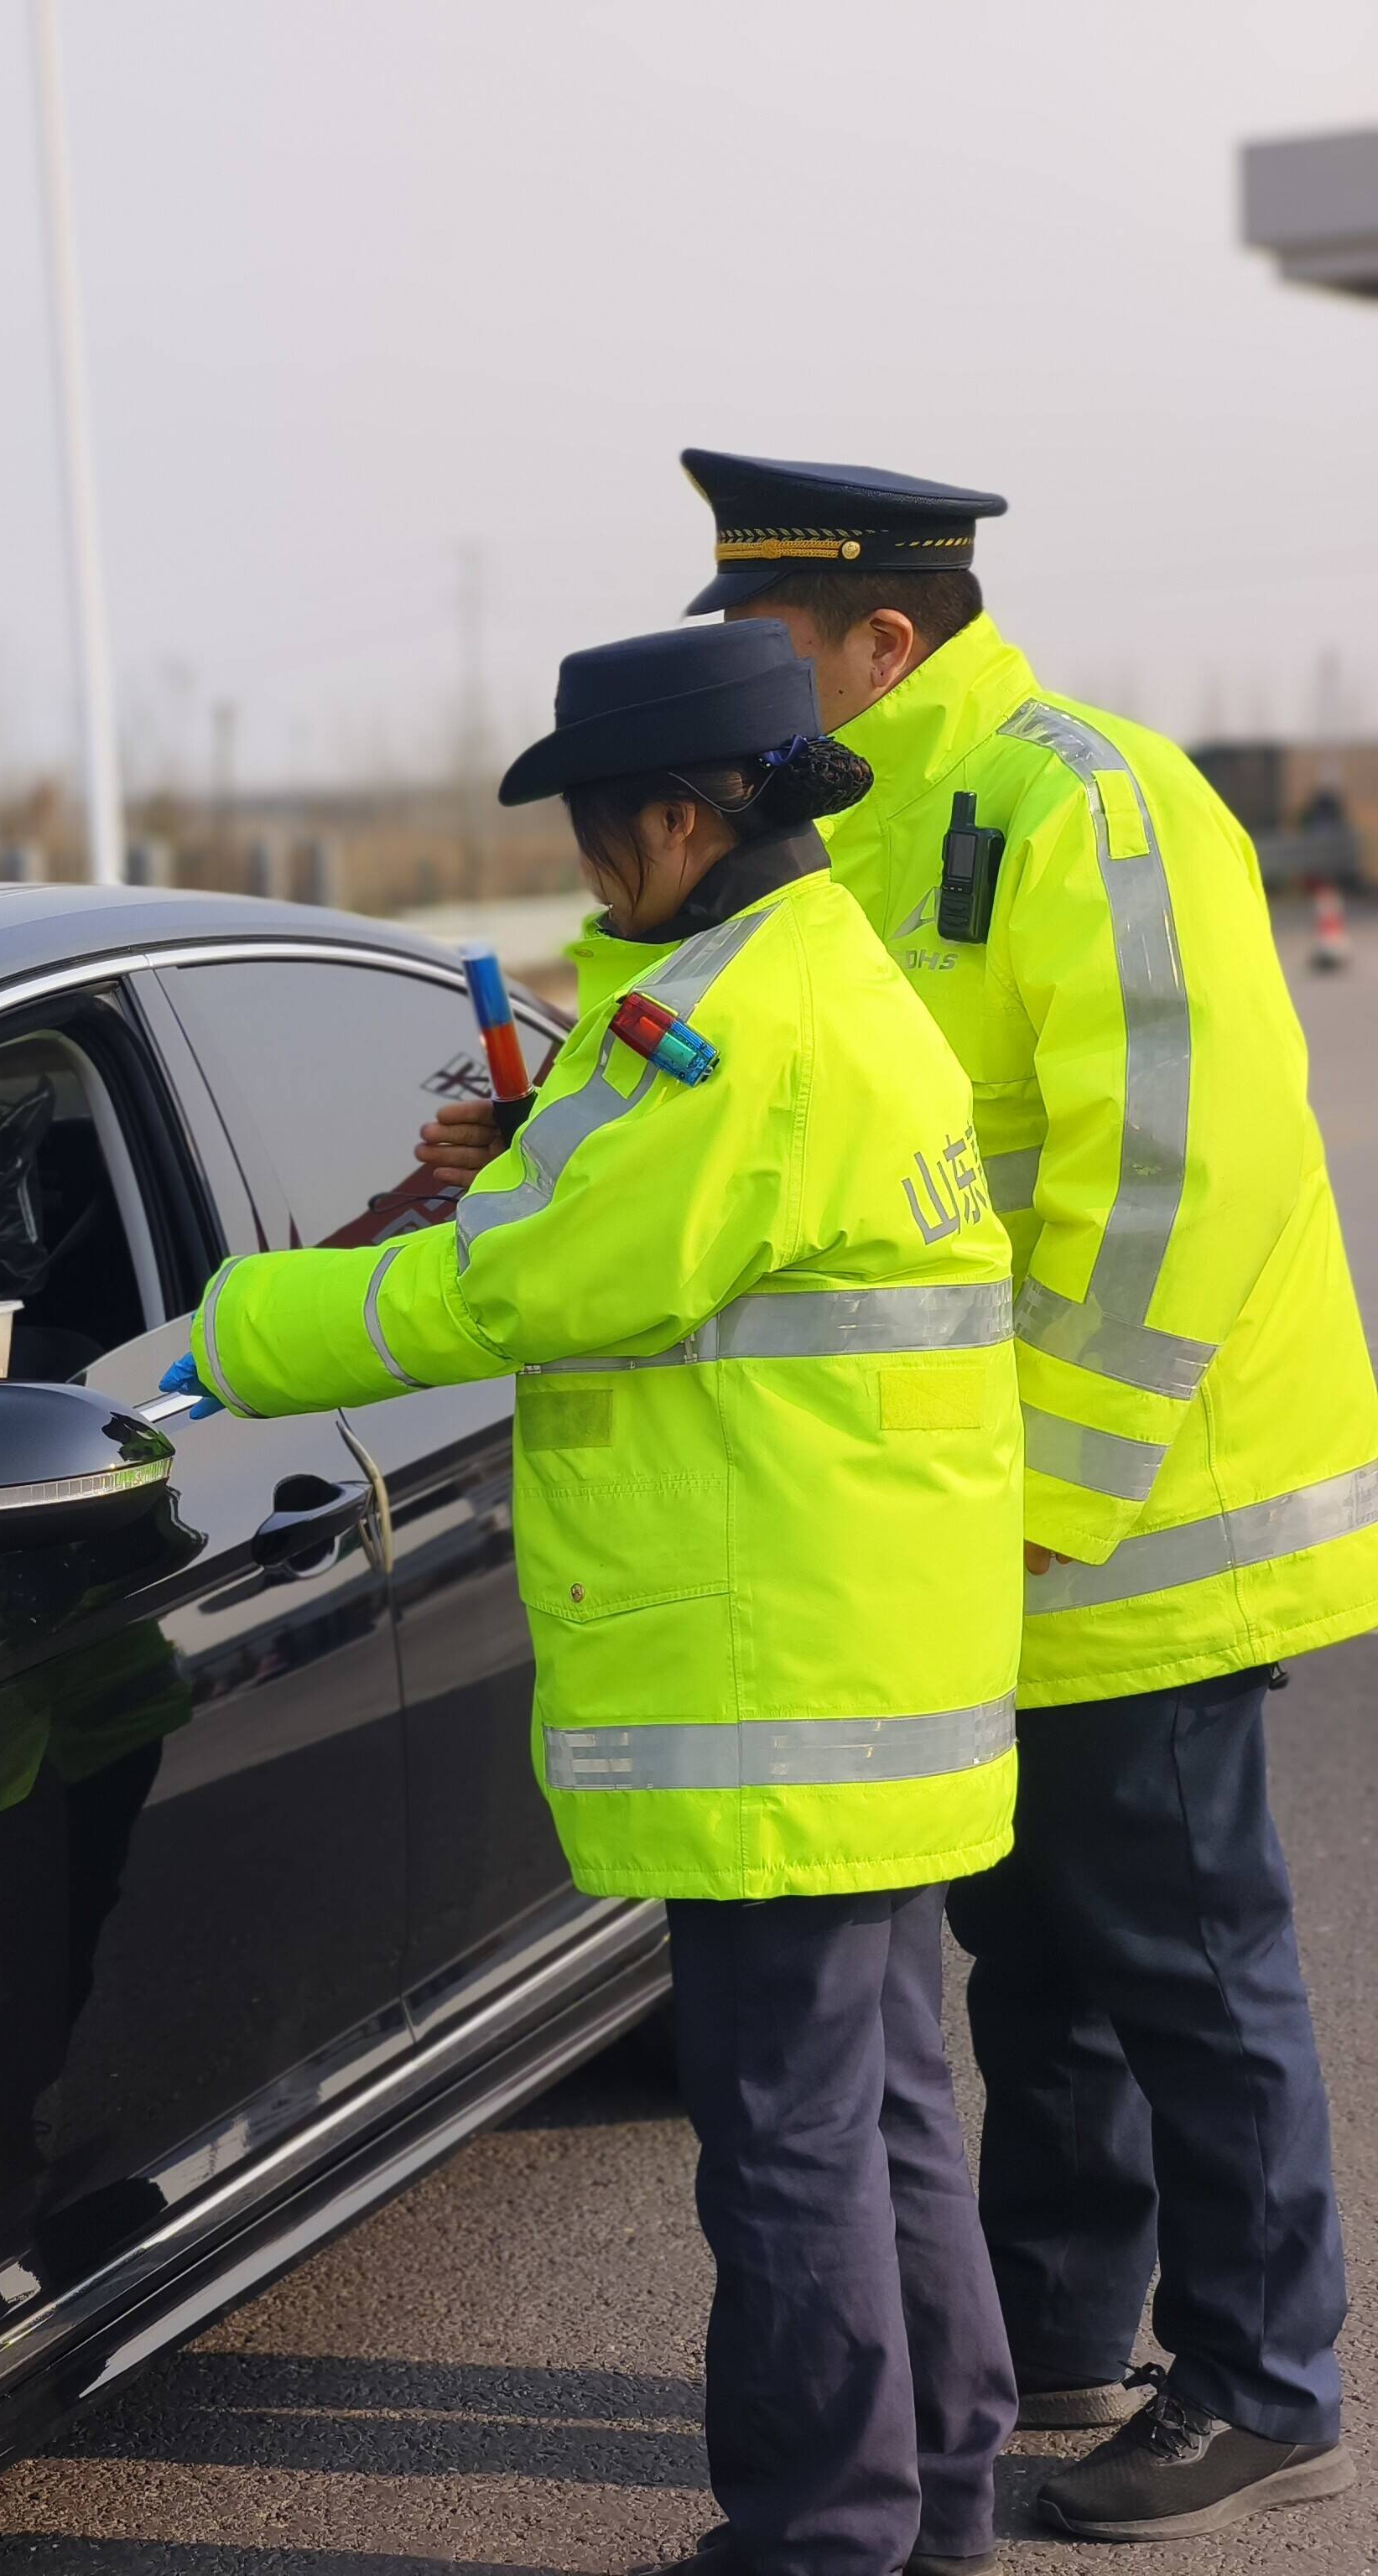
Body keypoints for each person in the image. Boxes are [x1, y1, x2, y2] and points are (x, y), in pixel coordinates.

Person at [419, 454, 1374, 2542]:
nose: (766, 682)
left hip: (1127, 1510)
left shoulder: (1073, 796)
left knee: (1180, 1963)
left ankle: (1261, 2373)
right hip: (940, 1522)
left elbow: (1170, 1173)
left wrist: (1058, 1488)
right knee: (1017, 1965)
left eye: (785, 646)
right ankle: (1043, 2340)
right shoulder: (825, 824)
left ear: (886, 636)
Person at [195, 619, 1022, 2576]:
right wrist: (530, 1149)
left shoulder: (744, 1032)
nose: (580, 870)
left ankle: (819, 2535)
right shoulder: (803, 983)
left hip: (775, 1683)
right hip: (856, 1667)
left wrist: (218, 1331)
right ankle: (937, 2504)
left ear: (676, 816)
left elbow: (530, 1292)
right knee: (884, 2104)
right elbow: (630, 1222)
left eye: (588, 832)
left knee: (790, 2147)